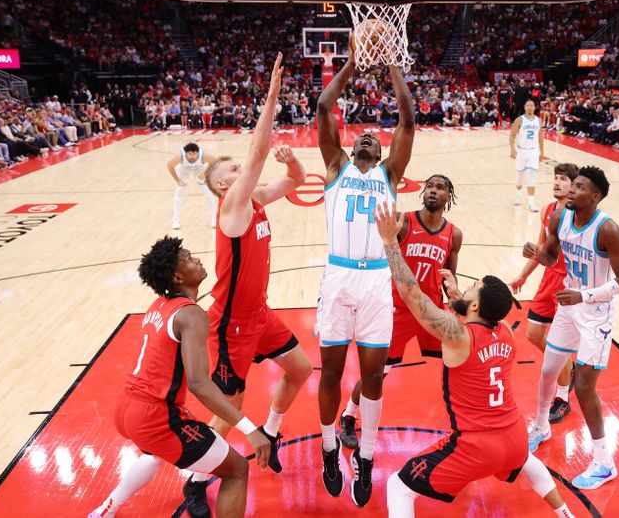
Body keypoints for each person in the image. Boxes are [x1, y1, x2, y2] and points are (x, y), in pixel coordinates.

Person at [370, 202, 575, 518]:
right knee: (525, 460)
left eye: (472, 288)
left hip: (476, 447)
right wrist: (456, 298)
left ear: (475, 307)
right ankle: (565, 514)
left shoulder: (456, 334)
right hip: (515, 436)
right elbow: (477, 322)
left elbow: (412, 295)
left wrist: (389, 243)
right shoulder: (506, 331)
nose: (467, 285)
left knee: (399, 486)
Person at [188, 53, 314, 516]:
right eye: (230, 174)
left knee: (301, 369)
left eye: (237, 170)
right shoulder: (232, 211)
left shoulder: (256, 198)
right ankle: (196, 477)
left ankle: (273, 432)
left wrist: (293, 158)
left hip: (259, 313)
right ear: (222, 189)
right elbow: (257, 153)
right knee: (228, 410)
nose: (240, 174)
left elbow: (296, 180)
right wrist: (272, 97)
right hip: (231, 324)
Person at [88, 237, 271, 518]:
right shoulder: (192, 315)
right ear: (176, 276)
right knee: (237, 470)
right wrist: (250, 429)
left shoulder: (158, 305)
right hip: (153, 415)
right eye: (187, 257)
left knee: (156, 452)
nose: (196, 259)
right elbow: (199, 384)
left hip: (127, 408)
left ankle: (106, 510)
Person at [315, 41, 415, 507]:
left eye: (376, 135)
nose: (370, 136)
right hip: (337, 276)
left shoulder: (389, 175)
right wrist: (354, 64)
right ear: (350, 143)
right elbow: (323, 105)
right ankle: (330, 447)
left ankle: (368, 457)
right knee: (332, 369)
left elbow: (407, 122)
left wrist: (393, 64)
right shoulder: (336, 165)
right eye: (363, 135)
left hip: (377, 279)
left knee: (374, 376)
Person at [525, 166, 619, 490]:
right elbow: (550, 256)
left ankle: (604, 462)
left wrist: (584, 295)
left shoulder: (607, 229)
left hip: (597, 313)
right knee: (548, 371)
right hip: (569, 307)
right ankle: (542, 427)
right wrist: (536, 253)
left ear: (596, 196)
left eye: (580, 187)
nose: (571, 191)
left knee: (585, 387)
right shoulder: (560, 219)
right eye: (572, 186)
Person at [339, 174, 463, 449]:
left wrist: (455, 302)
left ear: (448, 197)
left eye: (440, 187)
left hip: (431, 311)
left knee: (457, 364)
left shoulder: (453, 233)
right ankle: (348, 416)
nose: (433, 191)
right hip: (397, 310)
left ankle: (463, 423)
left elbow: (449, 275)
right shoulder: (404, 221)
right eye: (429, 186)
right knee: (377, 373)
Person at [510, 163, 579, 424]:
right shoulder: (549, 210)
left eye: (563, 179)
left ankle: (562, 397)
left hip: (569, 284)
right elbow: (542, 247)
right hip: (549, 279)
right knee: (533, 334)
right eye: (555, 178)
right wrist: (524, 274)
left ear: (574, 185)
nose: (557, 182)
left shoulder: (577, 214)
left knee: (557, 347)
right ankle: (567, 368)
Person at [167, 142, 219, 230]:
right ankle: (175, 220)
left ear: (198, 152)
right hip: (184, 169)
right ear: (185, 153)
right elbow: (169, 165)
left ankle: (215, 219)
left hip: (199, 169)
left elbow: (215, 162)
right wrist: (178, 180)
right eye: (190, 154)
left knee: (207, 192)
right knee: (179, 192)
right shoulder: (180, 157)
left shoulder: (203, 155)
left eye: (194, 153)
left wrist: (205, 173)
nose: (193, 156)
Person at [510, 100, 544, 211]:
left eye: (531, 105)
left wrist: (542, 152)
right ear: (525, 107)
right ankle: (518, 194)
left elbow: (540, 138)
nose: (529, 107)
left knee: (532, 176)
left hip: (534, 151)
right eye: (527, 105)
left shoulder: (538, 121)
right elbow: (512, 135)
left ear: (534, 107)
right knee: (520, 176)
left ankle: (531, 201)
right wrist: (512, 149)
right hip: (521, 151)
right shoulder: (519, 120)